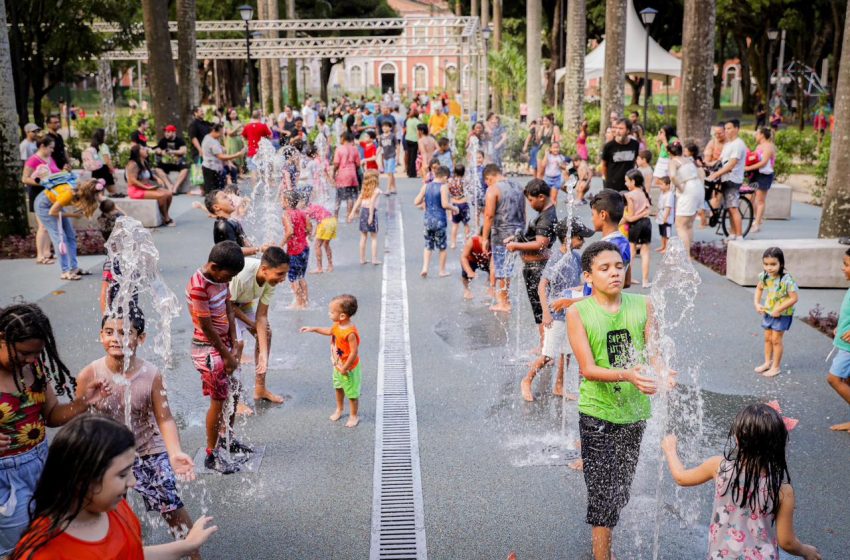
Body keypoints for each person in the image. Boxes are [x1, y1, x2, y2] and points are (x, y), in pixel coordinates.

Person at [566, 241, 666, 560]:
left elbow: (653, 351)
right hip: (597, 414)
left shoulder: (643, 305)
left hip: (634, 412)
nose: (614, 273)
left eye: (619, 266)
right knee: (603, 493)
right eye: (604, 268)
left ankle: (602, 533)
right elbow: (588, 369)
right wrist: (629, 376)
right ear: (588, 276)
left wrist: (664, 371)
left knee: (620, 491)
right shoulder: (578, 311)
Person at [11, 415, 217, 560]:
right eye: (122, 474)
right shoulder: (45, 551)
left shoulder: (114, 509)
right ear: (82, 478)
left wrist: (187, 546)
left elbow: (132, 553)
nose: (133, 482)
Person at [76, 310, 199, 551]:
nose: (116, 338)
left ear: (140, 338)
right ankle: (125, 552)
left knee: (170, 505)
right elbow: (80, 418)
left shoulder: (151, 374)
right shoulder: (89, 374)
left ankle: (193, 552)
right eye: (109, 332)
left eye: (125, 333)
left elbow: (165, 419)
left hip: (148, 450)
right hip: (107, 455)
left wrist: (174, 452)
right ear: (101, 335)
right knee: (108, 511)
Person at [0, 304, 111, 555]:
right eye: (24, 353)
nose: (31, 359)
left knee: (47, 535)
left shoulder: (34, 368)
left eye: (37, 353)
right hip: (4, 478)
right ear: (2, 339)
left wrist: (83, 403)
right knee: (16, 547)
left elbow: (51, 415)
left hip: (40, 463)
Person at [661, 404, 821, 560]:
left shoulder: (719, 467)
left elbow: (681, 477)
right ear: (779, 444)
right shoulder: (782, 490)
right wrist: (806, 551)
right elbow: (787, 542)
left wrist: (670, 450)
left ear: (737, 438)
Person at [186, 241, 247, 475]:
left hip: (225, 346)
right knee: (219, 400)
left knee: (235, 391)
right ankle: (211, 454)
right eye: (228, 276)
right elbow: (206, 325)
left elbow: (228, 308)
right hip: (208, 350)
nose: (229, 281)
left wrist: (236, 341)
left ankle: (227, 439)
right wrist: (227, 355)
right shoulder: (198, 286)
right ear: (213, 266)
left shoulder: (221, 280)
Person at [521, 217, 595, 402]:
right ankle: (527, 380)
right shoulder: (556, 258)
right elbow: (541, 286)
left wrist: (582, 290)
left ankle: (559, 385)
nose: (583, 241)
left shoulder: (577, 257)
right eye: (580, 238)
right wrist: (546, 312)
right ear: (569, 238)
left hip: (570, 312)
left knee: (567, 352)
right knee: (548, 354)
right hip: (555, 314)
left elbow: (578, 283)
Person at [229, 248, 290, 409]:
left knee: (266, 334)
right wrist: (251, 324)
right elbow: (229, 306)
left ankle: (260, 388)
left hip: (242, 302)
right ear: (264, 269)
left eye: (284, 274)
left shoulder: (270, 280)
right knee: (237, 344)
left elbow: (261, 316)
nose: (283, 279)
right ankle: (235, 399)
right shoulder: (243, 275)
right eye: (280, 274)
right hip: (224, 305)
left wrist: (263, 353)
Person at [506, 179, 559, 348]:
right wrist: (517, 238)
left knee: (541, 309)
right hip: (534, 267)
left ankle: (546, 349)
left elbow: (540, 243)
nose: (529, 204)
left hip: (537, 268)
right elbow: (533, 237)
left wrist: (516, 246)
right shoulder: (545, 213)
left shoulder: (547, 217)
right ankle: (544, 345)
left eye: (531, 200)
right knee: (538, 309)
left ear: (541, 197)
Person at [299, 294, 363, 428]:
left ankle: (353, 416)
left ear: (342, 316)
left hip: (348, 369)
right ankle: (339, 409)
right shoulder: (337, 325)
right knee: (338, 388)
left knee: (352, 393)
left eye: (331, 312)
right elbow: (330, 331)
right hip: (337, 365)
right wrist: (314, 329)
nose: (329, 314)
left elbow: (354, 352)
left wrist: (345, 368)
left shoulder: (350, 332)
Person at [33, 172, 102, 280]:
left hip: (54, 205)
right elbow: (52, 212)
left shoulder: (80, 193)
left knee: (70, 236)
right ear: (89, 193)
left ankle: (74, 268)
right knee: (60, 238)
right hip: (44, 206)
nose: (98, 197)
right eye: (96, 195)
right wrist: (73, 215)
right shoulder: (69, 194)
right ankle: (65, 271)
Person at [482, 164, 526, 311]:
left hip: (501, 233)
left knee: (503, 269)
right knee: (501, 264)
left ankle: (504, 303)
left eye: (487, 181)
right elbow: (524, 211)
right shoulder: (518, 186)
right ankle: (497, 294)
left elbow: (488, 215)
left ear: (489, 178)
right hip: (518, 231)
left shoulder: (493, 189)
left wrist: (484, 238)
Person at [753, 247, 798, 377]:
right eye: (766, 264)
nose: (769, 267)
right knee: (767, 338)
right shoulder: (765, 276)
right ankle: (767, 362)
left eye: (773, 264)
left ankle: (776, 367)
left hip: (782, 313)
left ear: (781, 264)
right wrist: (756, 303)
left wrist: (779, 309)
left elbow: (794, 298)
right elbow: (759, 289)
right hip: (768, 311)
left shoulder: (786, 280)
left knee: (776, 340)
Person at [707, 119, 748, 240]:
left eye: (729, 128)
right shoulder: (728, 145)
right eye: (726, 128)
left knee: (733, 208)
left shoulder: (738, 144)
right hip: (724, 179)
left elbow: (731, 164)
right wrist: (708, 166)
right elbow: (720, 161)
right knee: (728, 208)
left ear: (737, 129)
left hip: (733, 180)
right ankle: (733, 233)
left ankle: (739, 236)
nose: (727, 131)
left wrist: (715, 175)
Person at [414, 165, 457, 278]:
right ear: (444, 177)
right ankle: (442, 270)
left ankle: (425, 268)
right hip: (439, 221)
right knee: (442, 247)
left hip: (427, 220)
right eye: (447, 178)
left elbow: (416, 201)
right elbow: (444, 204)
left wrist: (426, 202)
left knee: (428, 245)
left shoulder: (426, 186)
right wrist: (454, 208)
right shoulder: (443, 187)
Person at [21, 136, 58, 265]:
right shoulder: (33, 160)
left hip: (49, 194)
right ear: (42, 146)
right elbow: (25, 179)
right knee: (42, 225)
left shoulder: (49, 158)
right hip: (37, 194)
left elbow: (55, 171)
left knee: (48, 224)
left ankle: (47, 252)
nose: (52, 150)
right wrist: (41, 182)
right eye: (50, 147)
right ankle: (40, 255)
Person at [588, 189, 631, 290]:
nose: (592, 219)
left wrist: (570, 301)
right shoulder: (624, 242)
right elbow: (627, 282)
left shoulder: (607, 249)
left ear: (603, 215)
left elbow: (604, 291)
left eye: (592, 215)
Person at [667, 142, 704, 256]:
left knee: (680, 225)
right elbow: (700, 172)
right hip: (697, 187)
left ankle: (686, 255)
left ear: (669, 152)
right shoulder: (689, 160)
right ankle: (689, 253)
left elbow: (672, 176)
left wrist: (680, 187)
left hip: (687, 189)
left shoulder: (673, 161)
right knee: (689, 224)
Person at [827, 248, 850, 431]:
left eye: (847, 265)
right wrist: (840, 327)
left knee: (834, 379)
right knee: (847, 381)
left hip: (848, 347)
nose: (843, 268)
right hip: (844, 343)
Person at [125, 145, 175, 226]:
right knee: (162, 195)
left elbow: (149, 174)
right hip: (135, 190)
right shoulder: (133, 164)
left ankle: (165, 215)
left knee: (169, 194)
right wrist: (146, 187)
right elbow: (132, 180)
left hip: (146, 187)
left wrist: (157, 178)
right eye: (142, 149)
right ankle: (166, 218)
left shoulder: (144, 162)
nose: (146, 150)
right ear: (137, 152)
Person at [204, 189, 263, 257]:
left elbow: (247, 244)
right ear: (216, 207)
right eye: (225, 197)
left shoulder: (233, 221)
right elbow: (234, 251)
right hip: (231, 264)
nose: (229, 198)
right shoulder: (223, 225)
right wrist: (260, 249)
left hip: (241, 260)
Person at [282, 191, 311, 310]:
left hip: (294, 250)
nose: (281, 202)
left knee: (293, 278)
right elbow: (309, 228)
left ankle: (299, 303)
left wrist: (281, 244)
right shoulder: (302, 212)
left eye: (282, 200)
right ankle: (305, 302)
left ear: (287, 202)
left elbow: (290, 232)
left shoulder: (286, 214)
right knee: (301, 277)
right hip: (305, 248)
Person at [623, 169, 652, 287]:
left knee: (632, 252)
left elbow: (630, 218)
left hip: (636, 225)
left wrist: (624, 215)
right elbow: (647, 210)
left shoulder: (629, 195)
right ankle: (645, 281)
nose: (625, 184)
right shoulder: (644, 193)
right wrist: (644, 213)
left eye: (627, 181)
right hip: (646, 223)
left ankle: (628, 278)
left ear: (633, 182)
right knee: (645, 252)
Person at [745, 127, 777, 233]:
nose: (755, 136)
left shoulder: (769, 147)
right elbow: (754, 159)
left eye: (757, 134)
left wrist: (748, 168)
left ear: (762, 134)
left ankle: (757, 223)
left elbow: (763, 162)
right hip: (755, 174)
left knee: (760, 200)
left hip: (764, 176)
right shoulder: (759, 146)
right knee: (749, 197)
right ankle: (757, 217)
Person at [348, 169, 382, 265]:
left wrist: (352, 213)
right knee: (374, 237)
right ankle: (374, 259)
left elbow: (358, 201)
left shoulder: (364, 190)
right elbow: (372, 203)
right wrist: (371, 216)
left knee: (363, 236)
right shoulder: (377, 190)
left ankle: (362, 259)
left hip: (363, 212)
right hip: (371, 212)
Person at [202, 124, 245, 195]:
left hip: (218, 168)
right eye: (220, 133)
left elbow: (222, 151)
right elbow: (221, 156)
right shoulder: (210, 141)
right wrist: (237, 155)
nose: (221, 135)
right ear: (213, 131)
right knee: (212, 193)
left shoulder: (214, 139)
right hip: (210, 169)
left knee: (232, 170)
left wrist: (228, 162)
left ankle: (233, 193)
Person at [600, 119, 639, 192]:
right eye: (616, 128)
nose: (617, 131)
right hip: (612, 185)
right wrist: (606, 180)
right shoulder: (609, 146)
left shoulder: (635, 144)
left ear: (628, 130)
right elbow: (604, 165)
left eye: (621, 128)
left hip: (629, 184)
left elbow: (635, 161)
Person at [332, 132, 361, 220]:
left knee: (338, 197)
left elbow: (336, 163)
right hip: (352, 175)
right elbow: (358, 164)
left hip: (342, 176)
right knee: (350, 196)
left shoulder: (339, 149)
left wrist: (334, 172)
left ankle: (336, 216)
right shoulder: (355, 149)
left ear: (343, 138)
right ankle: (349, 215)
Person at [460, 229, 494, 300]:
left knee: (493, 271)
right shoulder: (472, 241)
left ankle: (490, 287)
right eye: (483, 240)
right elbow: (463, 257)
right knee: (465, 275)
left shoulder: (493, 246)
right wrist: (469, 271)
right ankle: (467, 289)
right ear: (479, 236)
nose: (486, 243)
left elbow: (493, 266)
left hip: (487, 261)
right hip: (472, 260)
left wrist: (492, 286)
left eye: (489, 240)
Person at [154, 125, 190, 194]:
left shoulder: (179, 140)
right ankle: (169, 186)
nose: (166, 133)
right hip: (166, 163)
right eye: (165, 132)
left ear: (173, 132)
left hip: (177, 162)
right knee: (157, 169)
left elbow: (184, 150)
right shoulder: (163, 140)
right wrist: (161, 152)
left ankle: (175, 188)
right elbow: (157, 149)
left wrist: (172, 151)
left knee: (185, 169)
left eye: (168, 132)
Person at [307, 202, 337, 274]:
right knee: (326, 245)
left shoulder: (306, 211)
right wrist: (314, 235)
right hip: (332, 221)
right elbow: (319, 221)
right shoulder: (315, 206)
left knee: (317, 246)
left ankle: (319, 268)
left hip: (325, 223)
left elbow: (309, 225)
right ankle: (330, 265)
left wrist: (309, 235)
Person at [241, 110, 272, 178]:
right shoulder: (263, 126)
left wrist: (246, 144)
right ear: (260, 116)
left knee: (253, 171)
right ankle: (267, 186)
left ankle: (254, 188)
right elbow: (270, 136)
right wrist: (268, 125)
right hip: (262, 152)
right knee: (265, 170)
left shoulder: (247, 126)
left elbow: (243, 137)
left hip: (251, 152)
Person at [448, 163, 469, 249]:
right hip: (463, 203)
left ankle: (453, 243)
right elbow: (468, 191)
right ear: (463, 173)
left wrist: (449, 212)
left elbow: (449, 194)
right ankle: (467, 242)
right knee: (466, 224)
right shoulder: (464, 181)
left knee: (455, 225)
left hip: (454, 204)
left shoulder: (450, 181)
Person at [655, 176, 674, 254]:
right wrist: (657, 213)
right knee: (662, 233)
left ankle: (667, 248)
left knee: (667, 234)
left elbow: (668, 208)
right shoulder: (662, 193)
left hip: (666, 218)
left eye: (662, 184)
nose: (660, 186)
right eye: (659, 184)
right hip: (661, 216)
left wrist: (665, 218)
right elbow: (660, 205)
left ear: (668, 185)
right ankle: (663, 246)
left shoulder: (670, 195)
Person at [378, 120, 398, 195]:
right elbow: (380, 147)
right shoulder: (381, 136)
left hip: (392, 156)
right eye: (383, 126)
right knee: (390, 173)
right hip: (385, 157)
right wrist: (376, 154)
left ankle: (388, 189)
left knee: (389, 172)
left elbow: (397, 146)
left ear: (390, 128)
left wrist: (397, 157)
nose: (384, 128)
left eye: (386, 126)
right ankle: (394, 188)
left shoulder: (392, 136)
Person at [403, 109, 421, 178]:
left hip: (407, 139)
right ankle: (413, 174)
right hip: (414, 140)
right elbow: (419, 133)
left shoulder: (408, 120)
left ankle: (408, 172)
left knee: (409, 156)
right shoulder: (417, 122)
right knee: (413, 157)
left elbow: (406, 129)